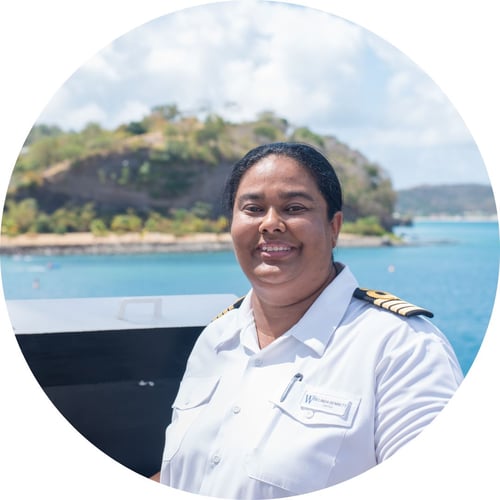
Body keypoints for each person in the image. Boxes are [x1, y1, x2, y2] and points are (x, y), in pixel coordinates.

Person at [154, 142, 463, 498]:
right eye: (252, 209)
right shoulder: (217, 337)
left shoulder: (402, 349)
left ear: (334, 227)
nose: (270, 224)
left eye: (294, 207)